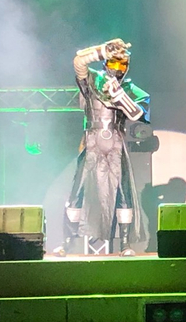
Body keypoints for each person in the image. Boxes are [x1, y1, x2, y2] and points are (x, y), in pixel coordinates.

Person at [55, 38, 149, 256]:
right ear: (106, 63)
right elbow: (79, 62)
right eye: (114, 62)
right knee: (77, 191)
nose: (118, 68)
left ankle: (125, 243)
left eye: (122, 64)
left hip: (116, 142)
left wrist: (120, 96)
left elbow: (139, 114)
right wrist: (102, 50)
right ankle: (67, 242)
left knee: (123, 192)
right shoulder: (93, 79)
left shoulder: (130, 88)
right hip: (92, 140)